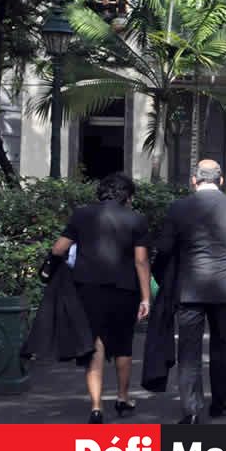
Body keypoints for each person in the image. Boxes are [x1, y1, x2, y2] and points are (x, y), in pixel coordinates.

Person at [50, 172, 152, 423]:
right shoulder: (136, 219)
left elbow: (58, 249)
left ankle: (96, 407)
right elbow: (141, 261)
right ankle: (122, 398)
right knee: (123, 344)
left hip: (88, 288)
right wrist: (146, 298)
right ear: (127, 196)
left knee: (94, 344)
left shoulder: (82, 215)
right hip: (125, 289)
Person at [155, 159, 226, 424]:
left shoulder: (179, 208)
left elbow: (164, 249)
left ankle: (192, 409)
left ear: (194, 180)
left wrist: (162, 281)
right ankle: (222, 398)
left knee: (188, 350)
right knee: (221, 342)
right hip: (224, 288)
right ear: (222, 180)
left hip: (188, 290)